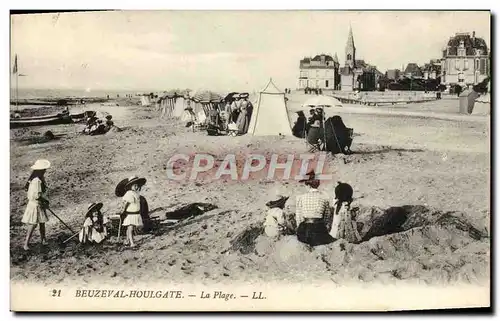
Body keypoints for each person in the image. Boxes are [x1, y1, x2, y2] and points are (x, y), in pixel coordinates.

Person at [295, 172, 335, 246]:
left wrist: (299, 229)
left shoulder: (300, 198)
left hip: (305, 229)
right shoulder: (324, 197)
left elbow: (299, 217)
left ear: (308, 185)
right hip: (319, 228)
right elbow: (327, 217)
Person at [22, 159, 51, 251]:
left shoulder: (40, 179)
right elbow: (37, 195)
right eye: (44, 169)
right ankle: (26, 243)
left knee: (42, 223)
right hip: (35, 204)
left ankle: (43, 239)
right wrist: (45, 202)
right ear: (40, 170)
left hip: (39, 204)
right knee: (33, 224)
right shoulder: (36, 181)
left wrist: (45, 201)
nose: (45, 171)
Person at [120, 176, 146, 247]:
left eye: (137, 185)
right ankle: (132, 243)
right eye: (134, 185)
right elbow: (126, 203)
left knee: (130, 228)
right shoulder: (129, 193)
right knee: (130, 228)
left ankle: (127, 240)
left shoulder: (136, 193)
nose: (136, 187)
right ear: (130, 186)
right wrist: (123, 211)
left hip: (136, 213)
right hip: (131, 214)